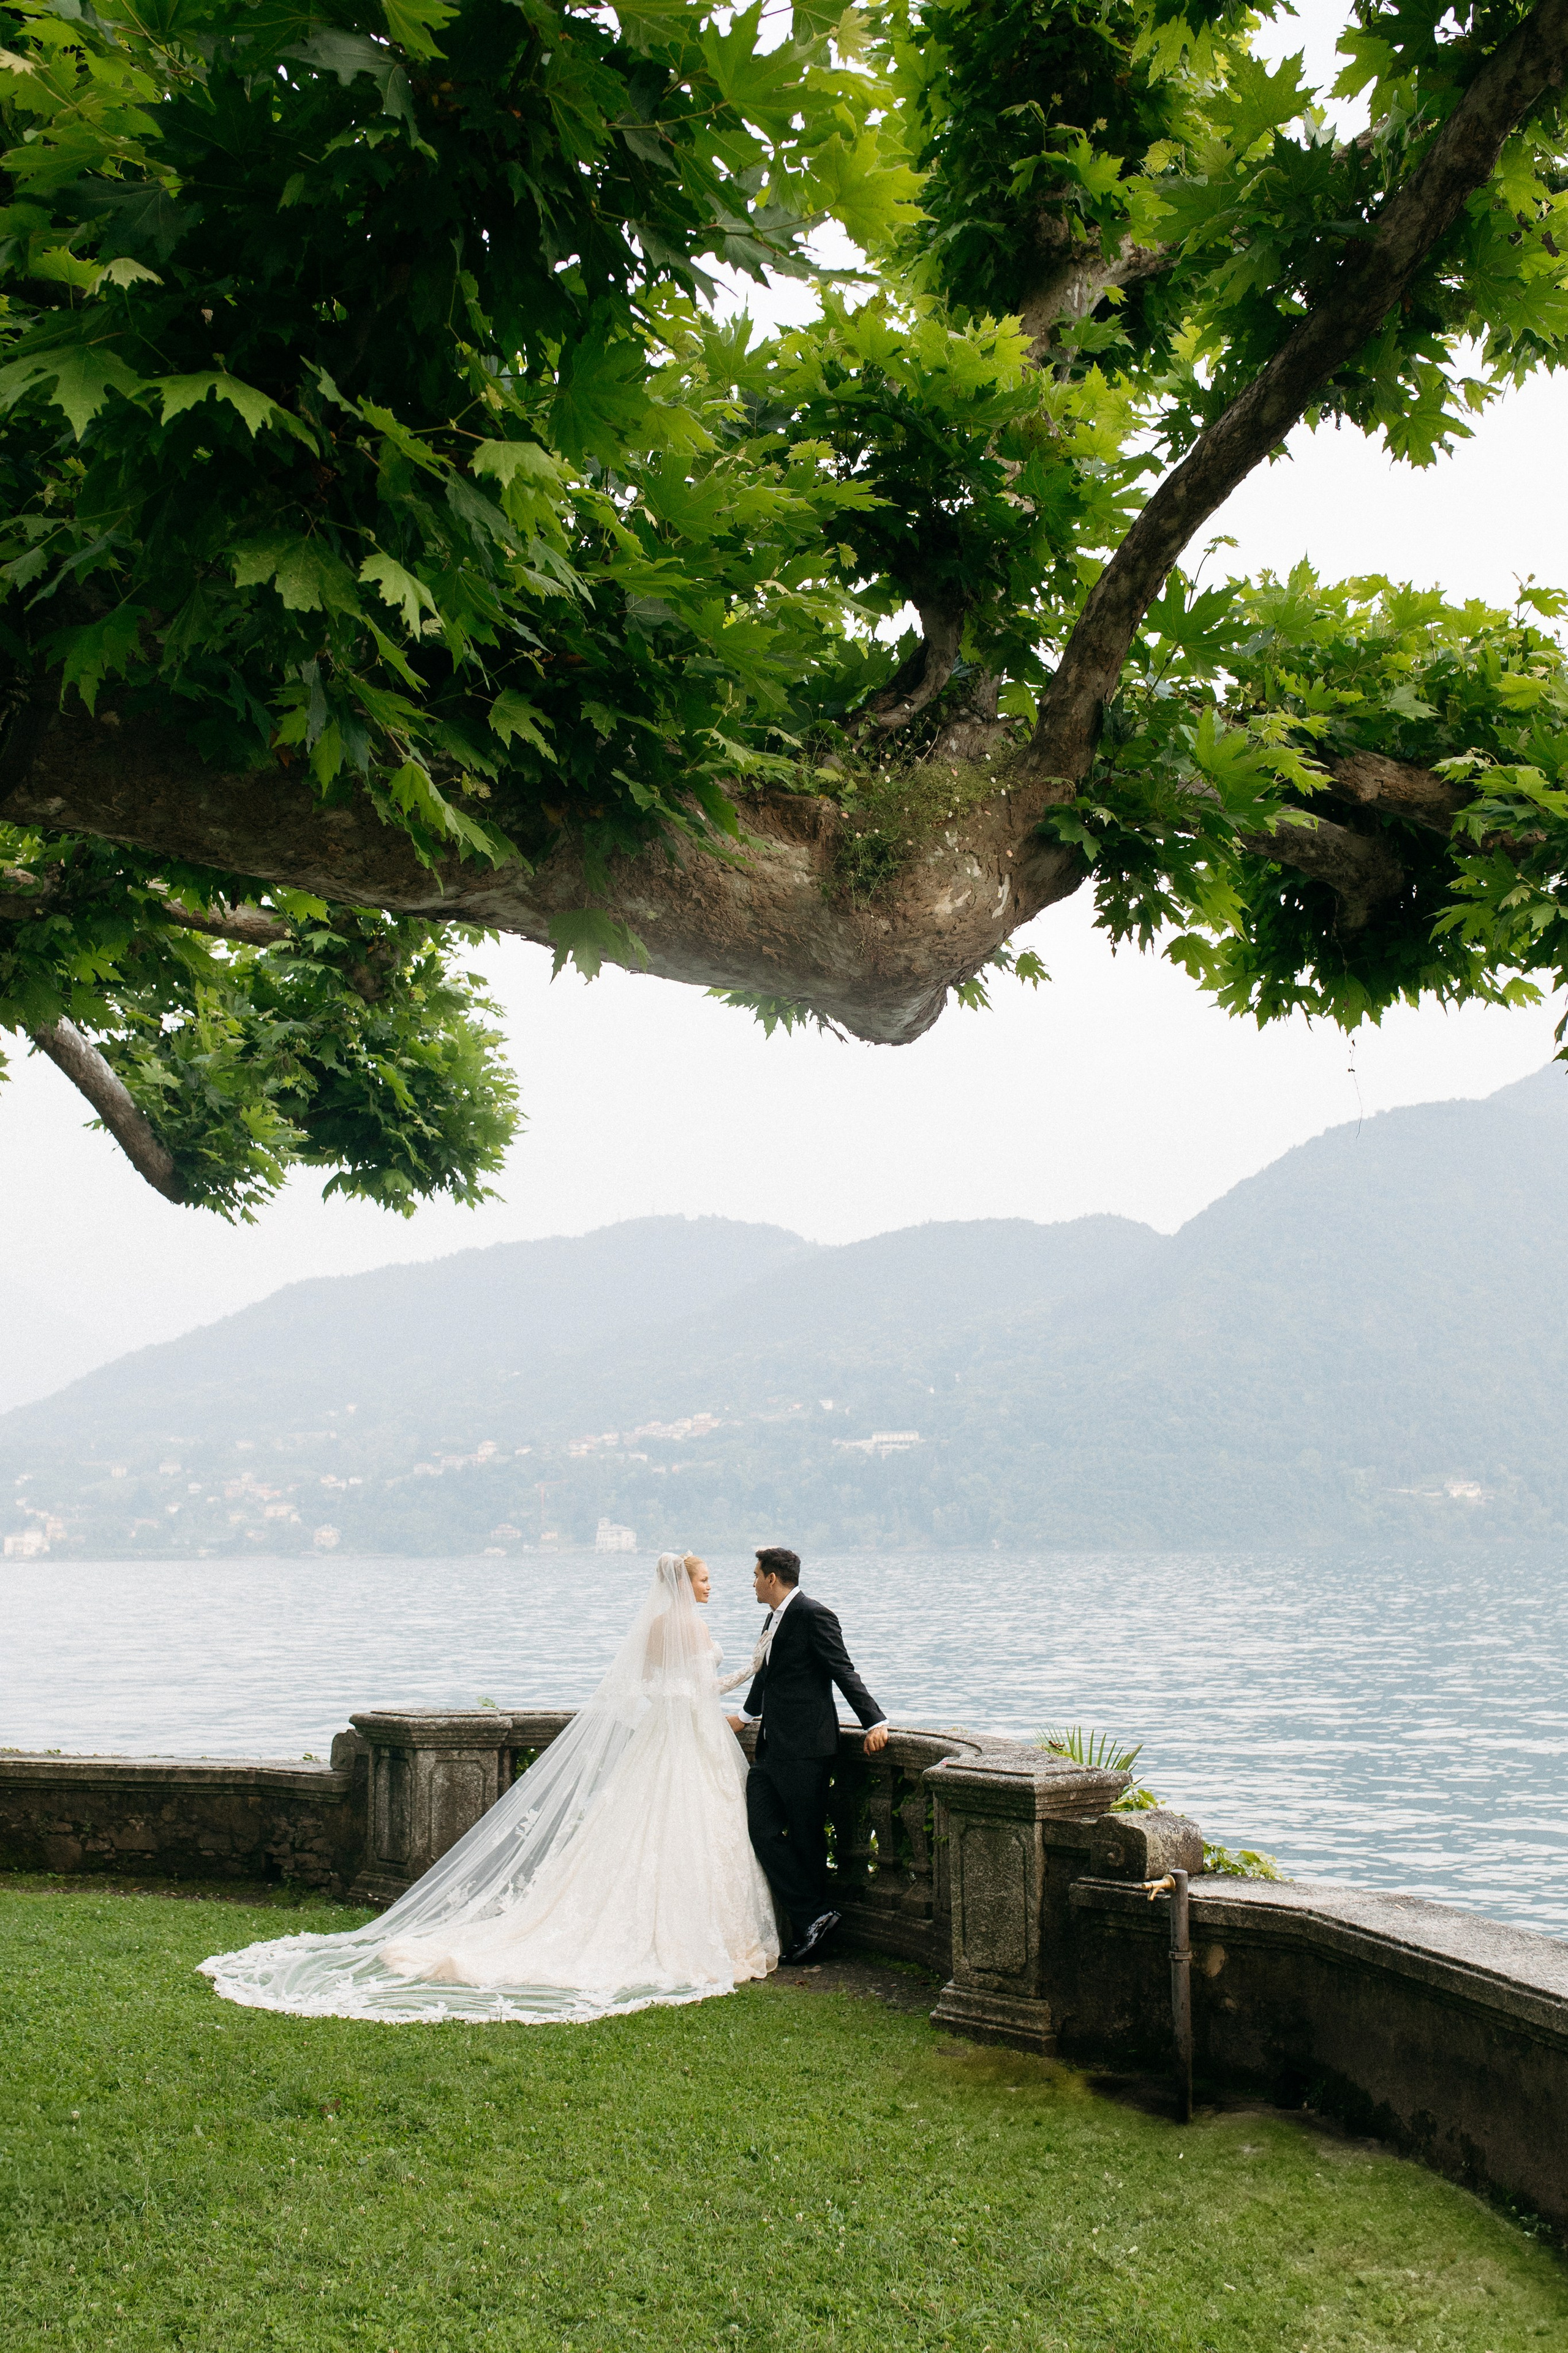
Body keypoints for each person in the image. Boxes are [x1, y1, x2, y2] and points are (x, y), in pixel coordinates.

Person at [198, 1553, 779, 2022]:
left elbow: (660, 1687)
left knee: (633, 1835)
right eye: (706, 1579)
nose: (713, 1587)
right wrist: (752, 1669)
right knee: (689, 1833)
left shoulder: (654, 1628)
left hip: (658, 1740)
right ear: (685, 1583)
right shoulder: (693, 1626)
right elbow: (698, 1692)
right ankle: (696, 1935)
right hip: (686, 1745)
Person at [729, 1545, 888, 1966]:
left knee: (806, 1839)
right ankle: (815, 1914)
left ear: (773, 1578)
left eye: (756, 1574)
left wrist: (875, 1721)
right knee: (761, 1829)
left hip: (807, 1749)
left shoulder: (814, 1614)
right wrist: (745, 1716)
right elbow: (766, 1675)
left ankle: (814, 1930)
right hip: (772, 1748)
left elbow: (842, 1668)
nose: (752, 1581)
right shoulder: (773, 1617)